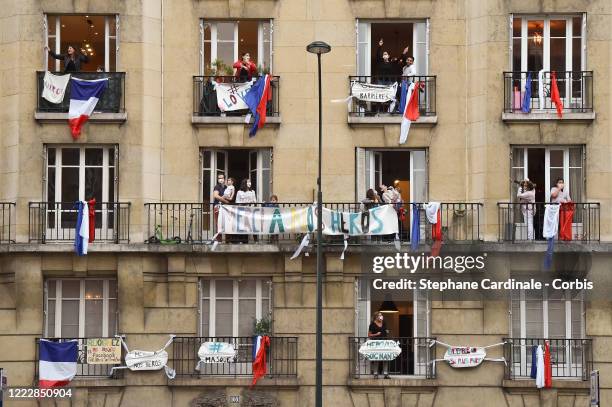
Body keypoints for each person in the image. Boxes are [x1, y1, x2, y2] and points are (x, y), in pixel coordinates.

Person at [368, 312, 390, 379]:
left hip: (384, 342)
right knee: (376, 358)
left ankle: (385, 373)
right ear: (376, 317)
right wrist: (376, 334)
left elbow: (385, 330)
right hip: (376, 343)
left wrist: (386, 331)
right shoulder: (372, 325)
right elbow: (369, 335)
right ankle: (375, 374)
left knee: (385, 357)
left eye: (381, 315)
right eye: (379, 315)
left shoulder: (384, 323)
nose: (381, 317)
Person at [212, 174, 230, 241]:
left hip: (225, 208)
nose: (220, 179)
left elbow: (229, 196)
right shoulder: (217, 187)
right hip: (218, 207)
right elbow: (216, 196)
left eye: (222, 178)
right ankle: (219, 240)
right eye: (219, 178)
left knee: (227, 223)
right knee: (218, 224)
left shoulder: (226, 187)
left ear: (224, 179)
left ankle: (227, 240)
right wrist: (225, 201)